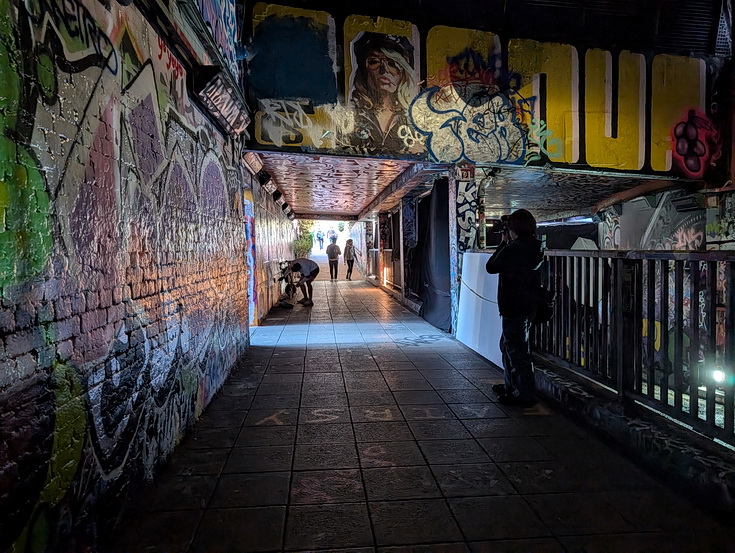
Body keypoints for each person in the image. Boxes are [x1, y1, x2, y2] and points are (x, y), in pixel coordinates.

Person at [485, 209, 544, 406]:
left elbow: (491, 266)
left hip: (513, 306)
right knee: (512, 347)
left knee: (516, 351)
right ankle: (512, 386)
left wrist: (503, 242)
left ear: (513, 229)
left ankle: (524, 394)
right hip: (528, 304)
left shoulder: (514, 249)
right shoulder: (534, 247)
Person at [347, 32, 419, 154]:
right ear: (365, 69)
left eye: (392, 63)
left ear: (403, 71)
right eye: (374, 61)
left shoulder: (412, 119)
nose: (384, 70)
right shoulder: (352, 113)